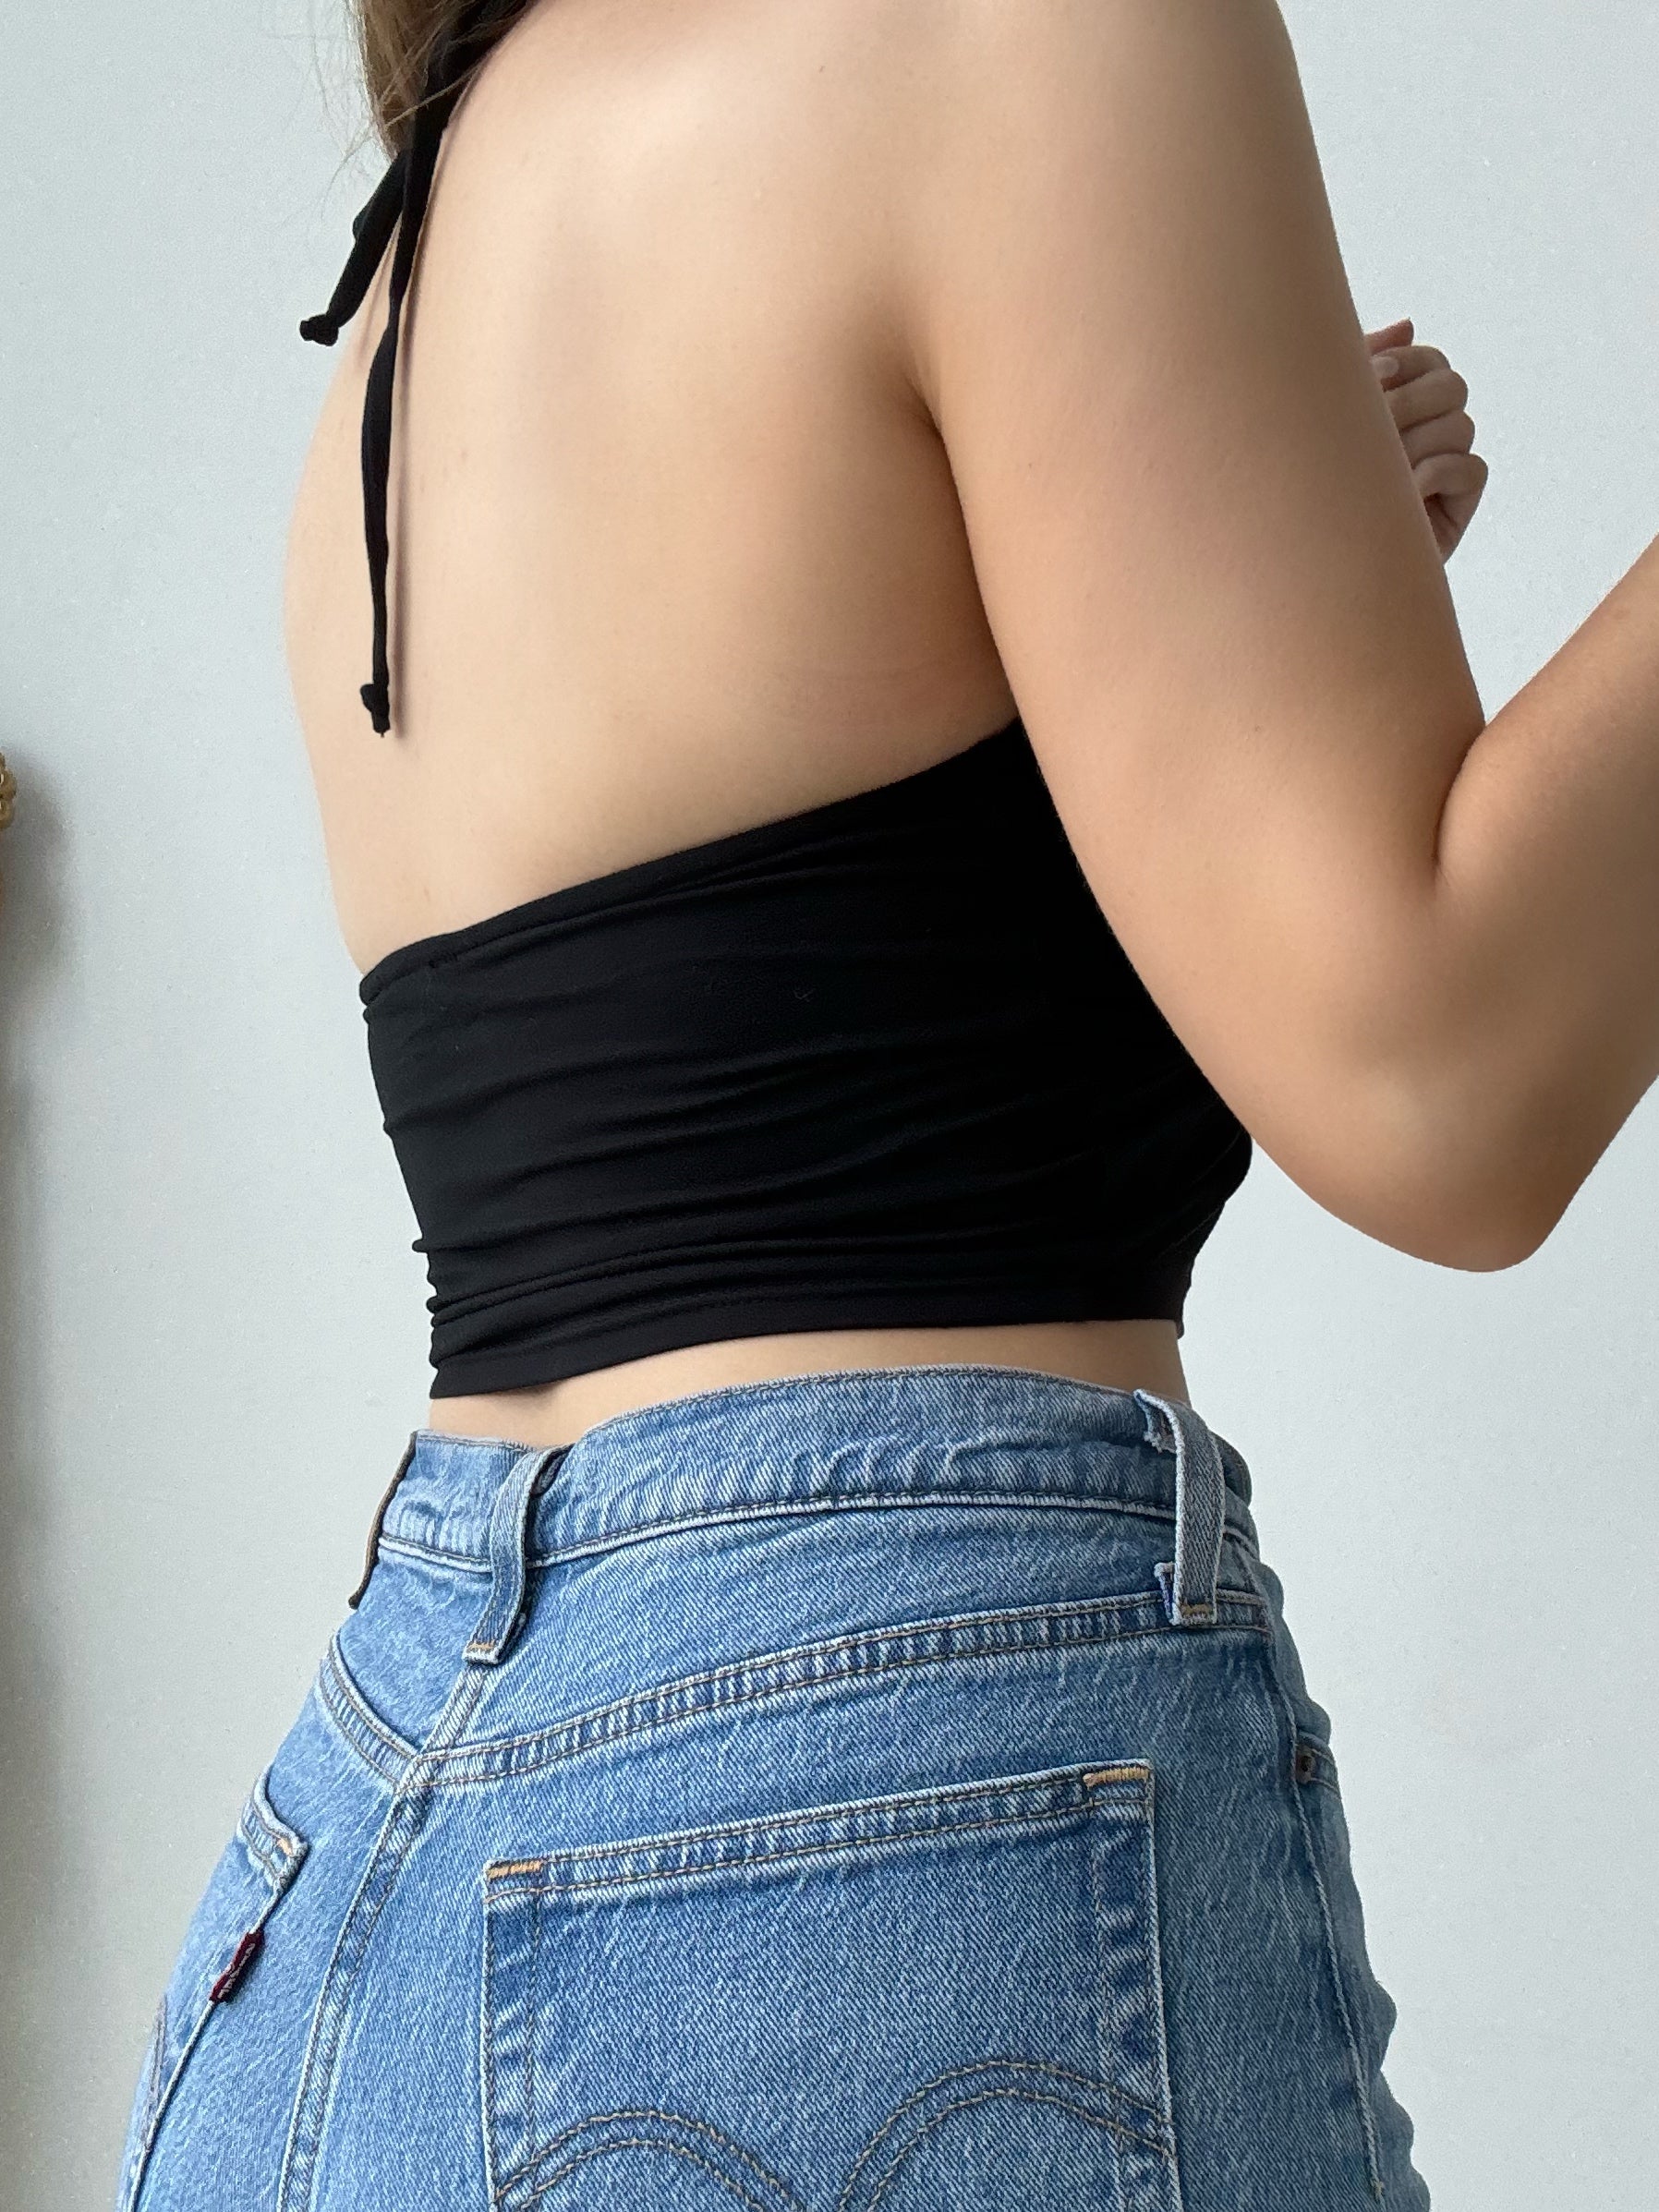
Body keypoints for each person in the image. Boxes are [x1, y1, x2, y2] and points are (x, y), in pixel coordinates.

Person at [113, 0, 1653, 2205]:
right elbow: (1448, 1077)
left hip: (354, 1903)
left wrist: (1215, 584)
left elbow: (790, 961)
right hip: (872, 1839)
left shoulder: (429, 250)